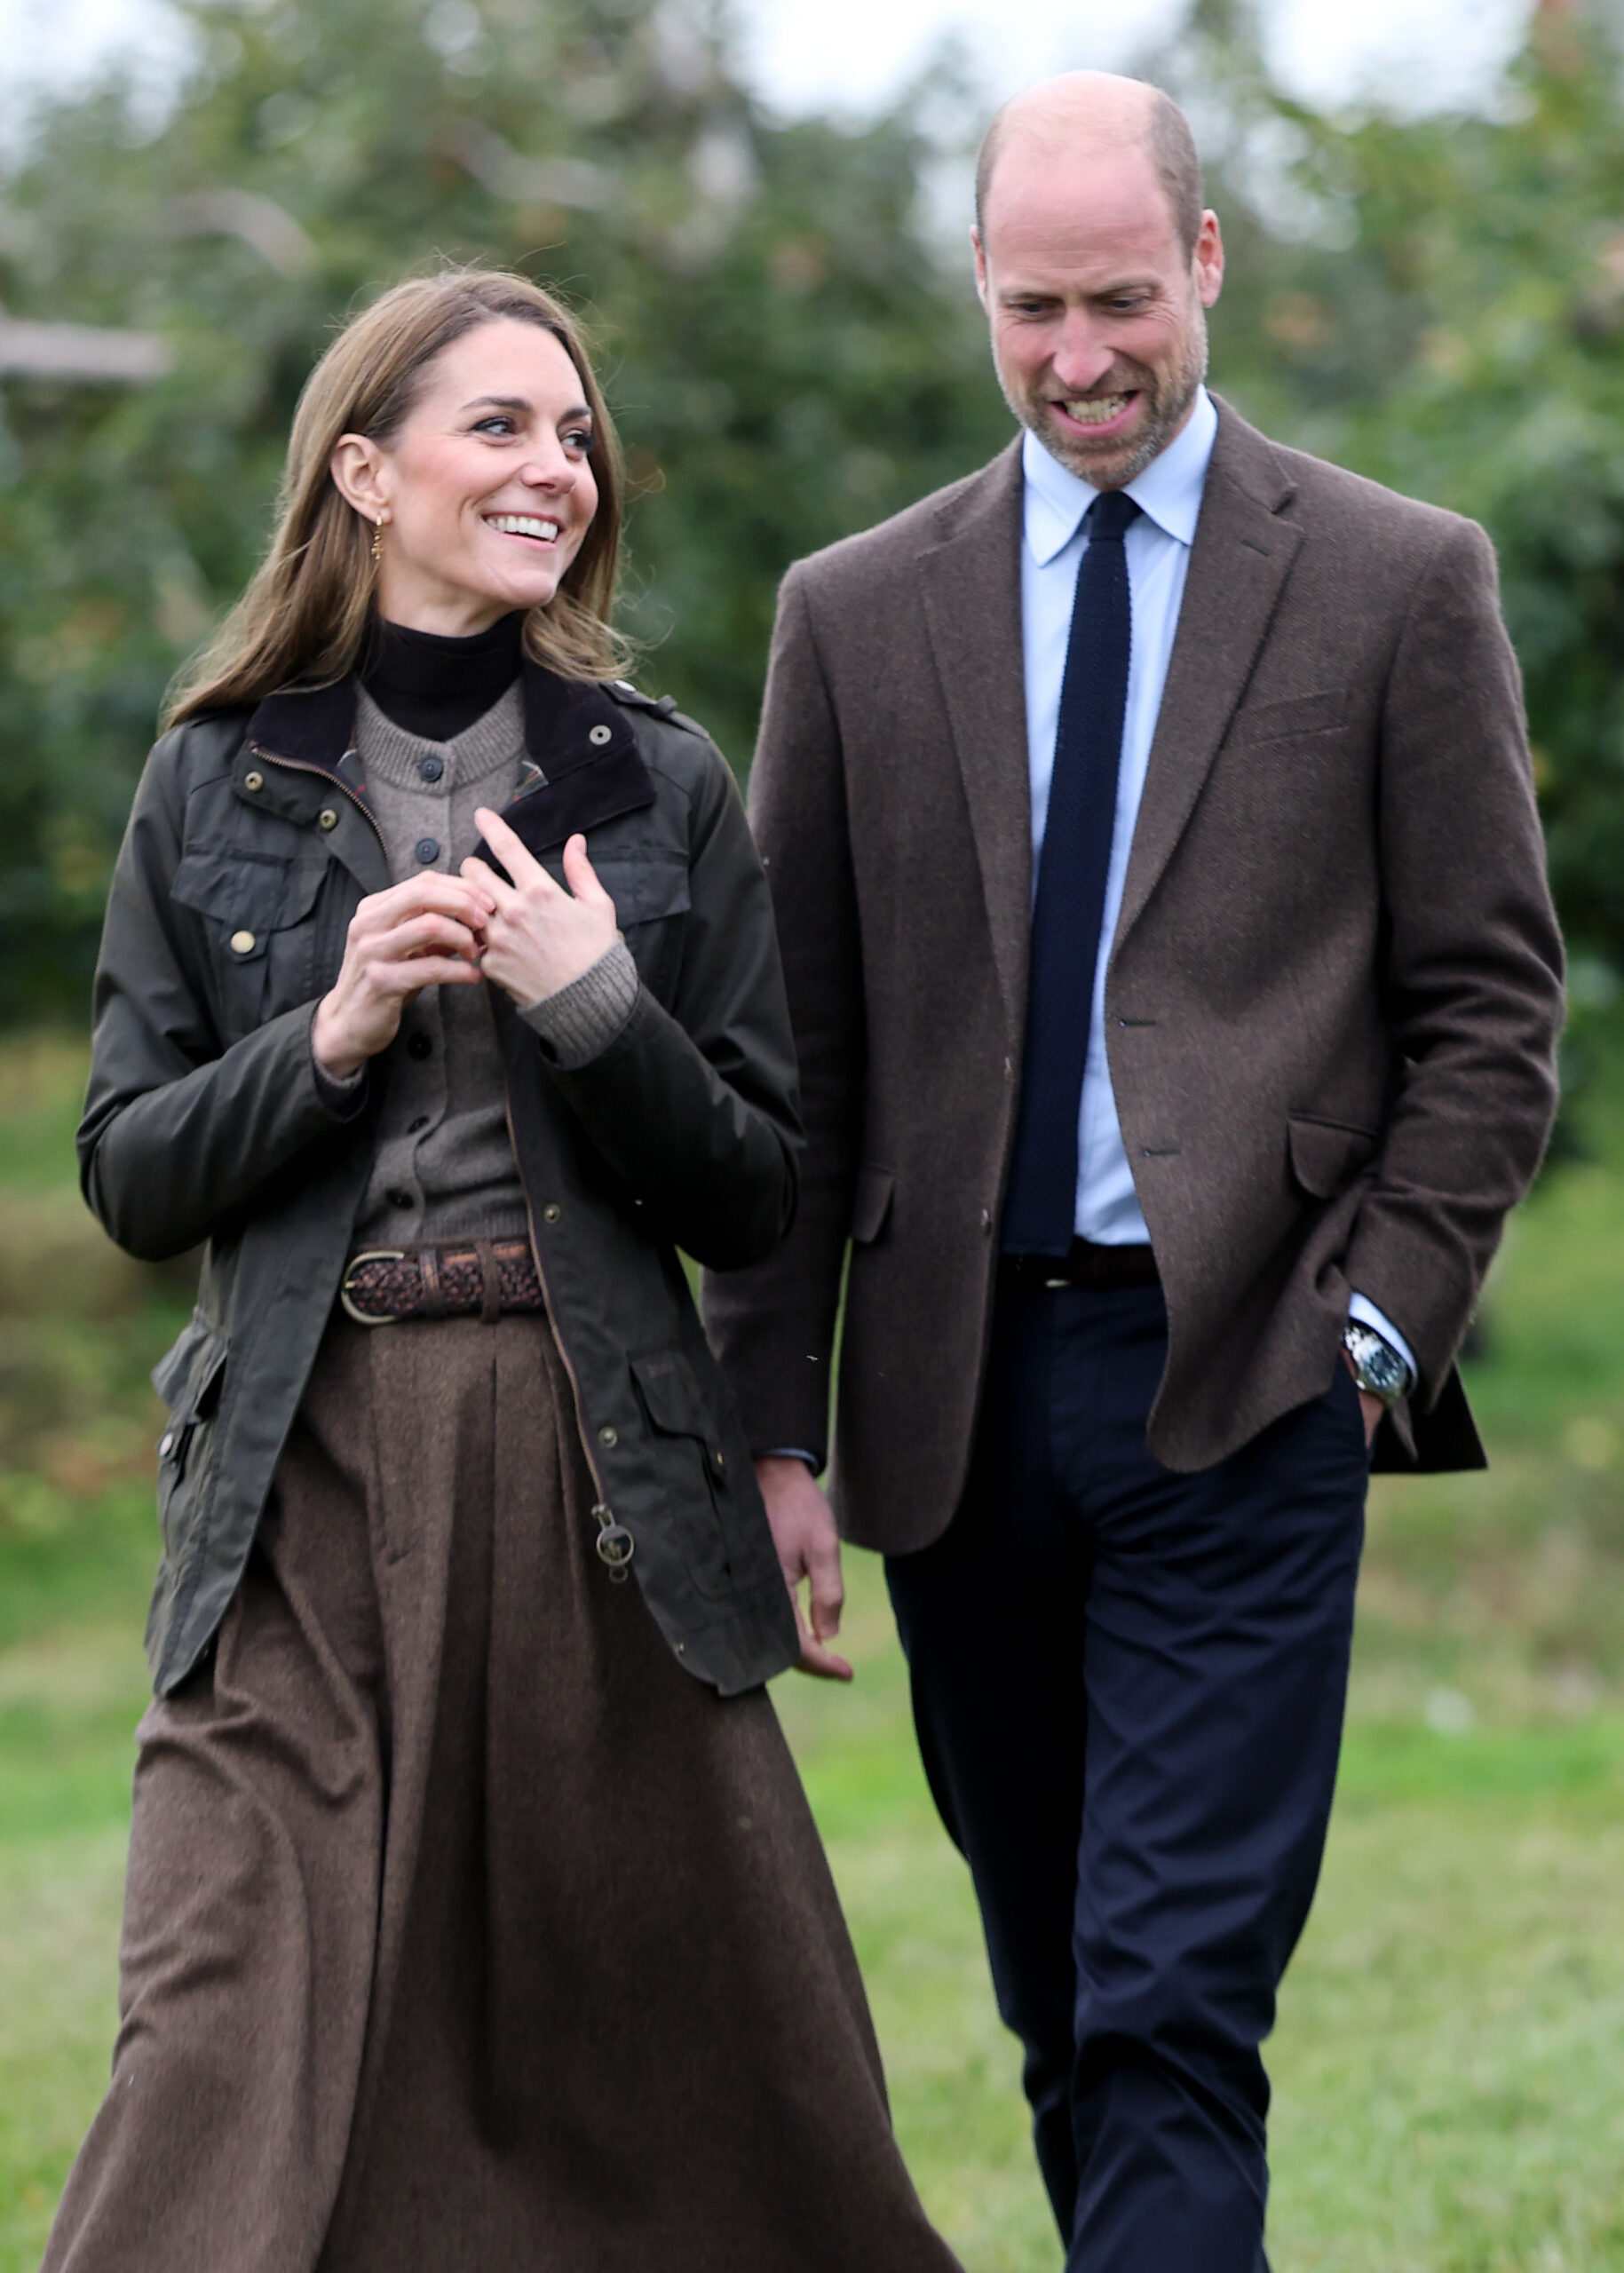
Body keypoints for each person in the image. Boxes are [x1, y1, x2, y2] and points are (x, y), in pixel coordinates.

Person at [702, 73, 1565, 2273]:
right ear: (979, 295)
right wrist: (770, 1424)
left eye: (1116, 301)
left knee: (1175, 1991)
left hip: (1251, 1376)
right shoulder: (852, 614)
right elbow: (795, 1055)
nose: (1078, 356)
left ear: (1205, 263)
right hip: (953, 1405)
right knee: (1066, 1999)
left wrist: (1379, 1327)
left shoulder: (1398, 580)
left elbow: (1490, 1006)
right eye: (1032, 308)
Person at [48, 268, 963, 2273]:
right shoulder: (211, 777)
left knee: (699, 2060)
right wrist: (327, 1036)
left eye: (573, 434)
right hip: (296, 1480)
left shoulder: (662, 782)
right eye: (500, 426)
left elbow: (755, 1187)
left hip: (592, 1471)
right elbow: (129, 1172)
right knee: (219, 2020)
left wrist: (599, 1005)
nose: (557, 467)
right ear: (364, 471)